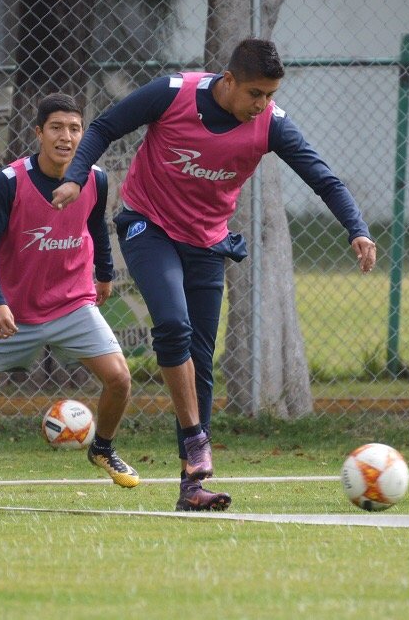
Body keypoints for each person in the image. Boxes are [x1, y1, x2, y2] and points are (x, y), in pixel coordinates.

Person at [52, 38, 376, 511]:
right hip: (149, 225)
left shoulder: (271, 124)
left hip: (207, 242)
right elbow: (104, 126)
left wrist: (357, 229)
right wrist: (76, 175)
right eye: (255, 93)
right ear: (228, 81)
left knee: (200, 360)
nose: (263, 104)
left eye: (270, 95)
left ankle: (192, 489)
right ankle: (194, 437)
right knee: (173, 325)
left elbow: (323, 178)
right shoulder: (173, 93)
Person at [0, 93, 139, 494]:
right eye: (56, 128)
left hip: (73, 304)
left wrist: (105, 275)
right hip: (15, 312)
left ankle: (103, 448)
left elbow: (96, 228)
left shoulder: (95, 178)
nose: (66, 137)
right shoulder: (9, 181)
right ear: (38, 132)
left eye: (75, 129)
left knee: (120, 379)